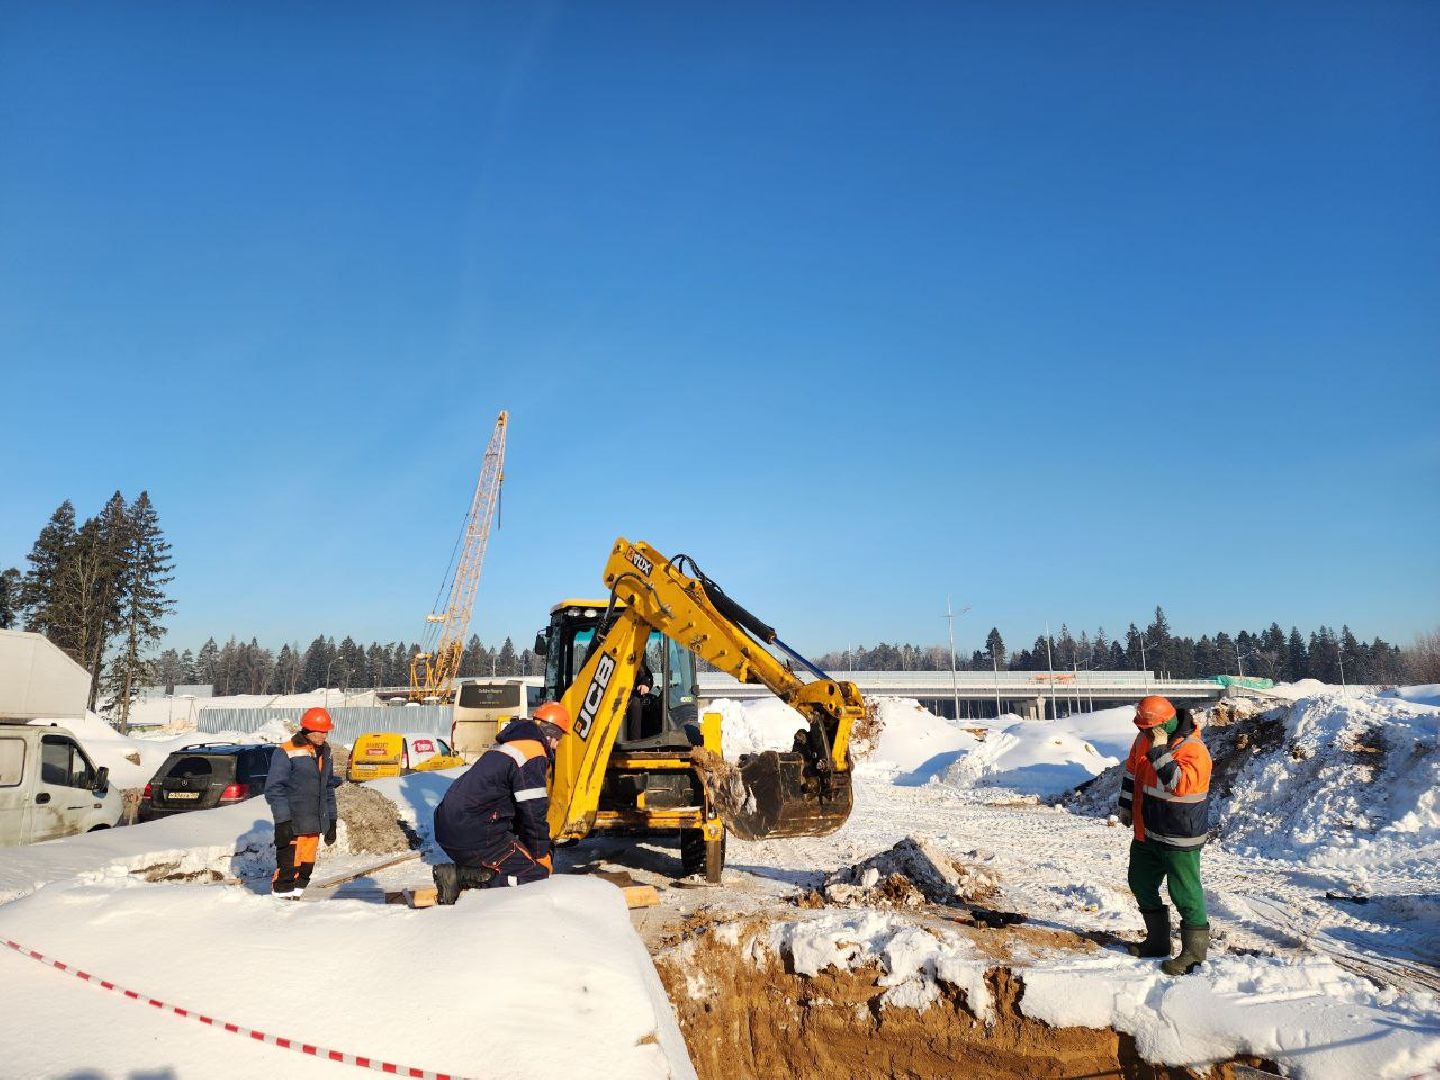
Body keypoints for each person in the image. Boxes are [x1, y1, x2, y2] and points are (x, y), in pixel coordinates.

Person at [431, 701, 572, 904]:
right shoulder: (532, 753)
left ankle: (468, 874)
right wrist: (541, 855)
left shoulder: (508, 746)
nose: (557, 746)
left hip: (450, 827)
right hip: (472, 832)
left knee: (514, 856)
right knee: (535, 874)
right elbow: (533, 814)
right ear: (549, 734)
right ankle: (459, 877)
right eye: (558, 739)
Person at [1118, 695, 1213, 975]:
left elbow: (1177, 784)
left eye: (1148, 729)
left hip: (1178, 835)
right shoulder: (1143, 740)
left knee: (1185, 892)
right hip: (1148, 831)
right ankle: (1158, 942)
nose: (1143, 734)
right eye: (1141, 729)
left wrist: (1160, 751)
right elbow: (1132, 773)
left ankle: (1194, 955)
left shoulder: (1194, 750)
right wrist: (1125, 806)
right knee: (1140, 881)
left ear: (1164, 725)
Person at [265, 707, 340, 897]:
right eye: (321, 731)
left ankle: (297, 908)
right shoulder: (286, 751)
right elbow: (275, 788)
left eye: (326, 731)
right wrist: (283, 821)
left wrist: (331, 820)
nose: (325, 735)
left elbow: (328, 789)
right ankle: (278, 906)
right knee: (288, 869)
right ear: (309, 730)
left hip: (314, 824)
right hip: (293, 823)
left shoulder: (325, 753)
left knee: (306, 869)